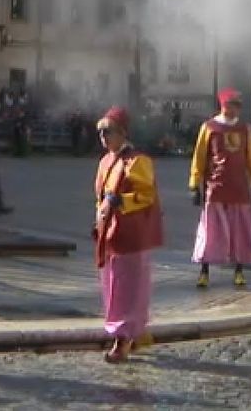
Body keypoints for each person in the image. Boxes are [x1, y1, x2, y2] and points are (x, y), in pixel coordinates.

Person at [93, 106, 163, 362]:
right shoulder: (105, 161)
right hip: (109, 233)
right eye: (101, 132)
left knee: (128, 287)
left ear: (122, 133)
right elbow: (100, 196)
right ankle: (132, 333)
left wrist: (122, 201)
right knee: (112, 285)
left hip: (130, 233)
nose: (103, 137)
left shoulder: (137, 161)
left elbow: (147, 195)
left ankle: (123, 338)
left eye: (108, 131)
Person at [188, 88, 251, 289]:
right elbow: (199, 157)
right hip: (215, 188)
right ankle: (204, 271)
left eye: (238, 105)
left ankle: (239, 270)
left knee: (240, 231)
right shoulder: (209, 128)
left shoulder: (244, 129)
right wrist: (195, 185)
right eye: (233, 105)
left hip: (239, 189)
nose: (236, 109)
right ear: (223, 106)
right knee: (210, 231)